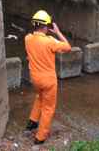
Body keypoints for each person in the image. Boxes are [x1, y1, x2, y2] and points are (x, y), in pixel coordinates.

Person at [25, 10, 72, 144]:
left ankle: (32, 122)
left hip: (35, 78)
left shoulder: (27, 38)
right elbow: (68, 47)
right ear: (46, 26)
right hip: (48, 81)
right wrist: (57, 32)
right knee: (48, 108)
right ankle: (40, 137)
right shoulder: (50, 41)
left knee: (39, 97)